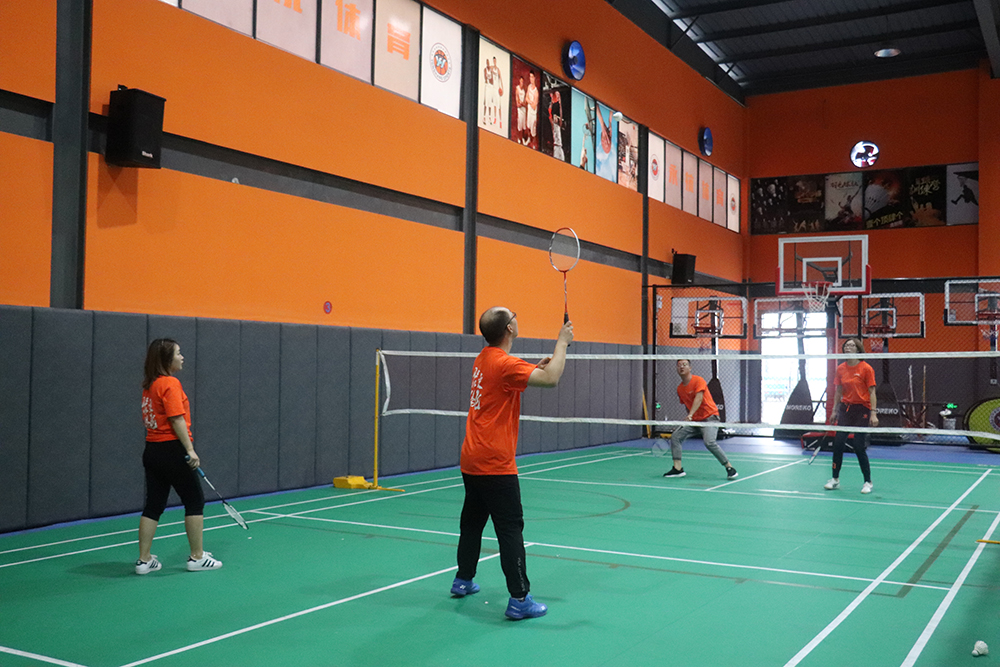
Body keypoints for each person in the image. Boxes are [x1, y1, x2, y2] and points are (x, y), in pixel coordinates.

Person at [451, 307, 573, 620]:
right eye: (514, 315)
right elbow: (551, 379)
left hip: (471, 458)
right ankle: (519, 598)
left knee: (472, 522)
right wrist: (562, 342)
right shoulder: (505, 364)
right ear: (509, 328)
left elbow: (510, 380)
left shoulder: (484, 358)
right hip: (495, 463)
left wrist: (534, 368)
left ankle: (463, 579)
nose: (518, 318)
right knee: (510, 529)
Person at [136, 338, 222, 574]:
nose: (182, 357)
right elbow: (176, 419)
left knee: (153, 505)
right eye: (178, 353)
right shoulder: (170, 383)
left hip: (152, 450)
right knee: (194, 501)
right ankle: (197, 557)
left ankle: (144, 560)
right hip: (173, 449)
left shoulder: (150, 385)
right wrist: (190, 450)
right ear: (167, 359)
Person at [662, 359, 737, 480]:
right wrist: (689, 418)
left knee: (709, 442)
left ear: (690, 368)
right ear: (677, 369)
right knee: (675, 437)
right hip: (695, 421)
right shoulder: (680, 388)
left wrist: (691, 415)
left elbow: (699, 398)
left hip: (710, 418)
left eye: (685, 364)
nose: (682, 367)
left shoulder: (698, 380)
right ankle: (677, 469)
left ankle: (729, 467)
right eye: (679, 365)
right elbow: (687, 404)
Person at [824, 337, 877, 494]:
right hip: (846, 409)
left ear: (858, 349)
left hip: (862, 409)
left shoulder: (866, 368)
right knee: (838, 444)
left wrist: (873, 413)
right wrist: (834, 411)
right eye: (846, 345)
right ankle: (835, 479)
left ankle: (867, 481)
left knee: (859, 446)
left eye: (852, 345)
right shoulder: (841, 368)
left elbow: (872, 392)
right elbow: (838, 391)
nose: (848, 347)